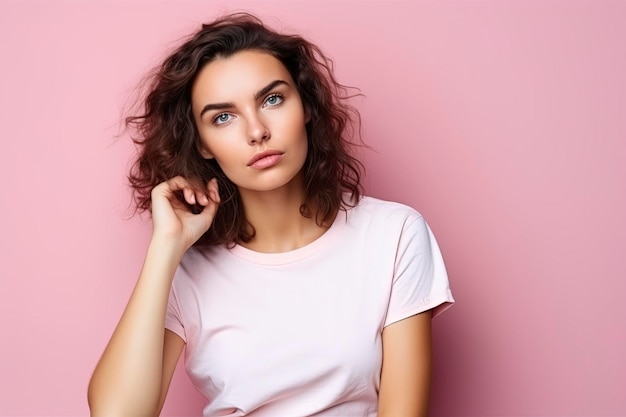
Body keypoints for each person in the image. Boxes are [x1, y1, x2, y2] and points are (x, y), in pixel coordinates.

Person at [87, 12, 454, 417]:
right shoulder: (185, 271)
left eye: (272, 99)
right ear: (204, 144)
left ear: (307, 106)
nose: (256, 131)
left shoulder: (394, 234)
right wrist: (165, 248)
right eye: (223, 117)